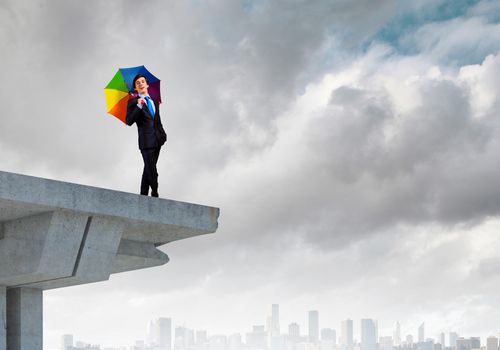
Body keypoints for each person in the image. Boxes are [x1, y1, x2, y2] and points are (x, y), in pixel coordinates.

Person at [126, 74, 167, 197]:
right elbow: (129, 121)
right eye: (138, 83)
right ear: (135, 88)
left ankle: (143, 195)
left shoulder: (154, 100)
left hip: (158, 140)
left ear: (147, 85)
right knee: (152, 171)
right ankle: (154, 192)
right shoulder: (133, 102)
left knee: (147, 170)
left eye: (143, 81)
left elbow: (157, 120)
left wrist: (163, 134)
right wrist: (138, 105)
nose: (141, 84)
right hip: (146, 142)